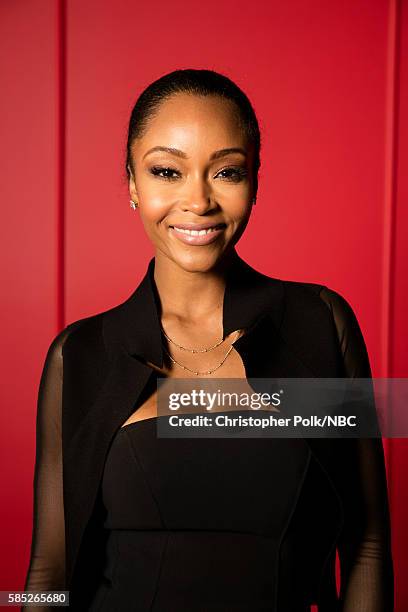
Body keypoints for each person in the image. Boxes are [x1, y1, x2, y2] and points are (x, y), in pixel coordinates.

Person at [23, 69, 394, 611]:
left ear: (255, 180)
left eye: (226, 171)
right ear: (131, 182)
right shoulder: (79, 356)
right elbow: (48, 573)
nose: (198, 201)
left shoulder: (320, 325)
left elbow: (367, 545)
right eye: (167, 170)